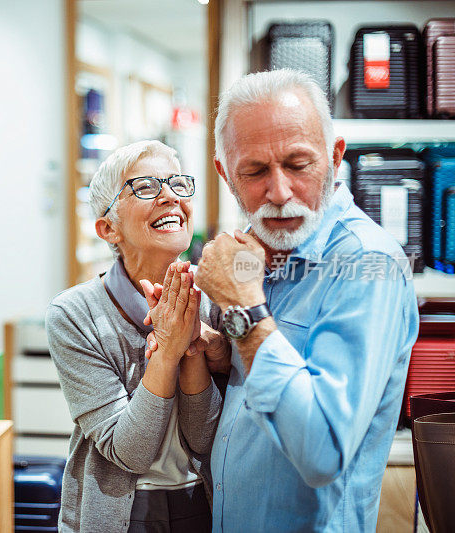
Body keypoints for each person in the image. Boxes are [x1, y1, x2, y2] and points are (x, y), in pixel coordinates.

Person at [187, 69, 418, 531]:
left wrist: (243, 310)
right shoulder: (255, 251)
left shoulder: (368, 264)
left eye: (297, 164)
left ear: (335, 156)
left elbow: (321, 450)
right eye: (254, 172)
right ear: (225, 175)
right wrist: (224, 352)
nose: (279, 193)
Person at [46, 140, 230, 532]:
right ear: (108, 228)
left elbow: (206, 438)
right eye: (145, 187)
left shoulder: (218, 296)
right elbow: (129, 451)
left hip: (205, 505)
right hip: (118, 516)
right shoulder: (74, 314)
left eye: (178, 184)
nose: (169, 196)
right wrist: (168, 352)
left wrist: (195, 348)